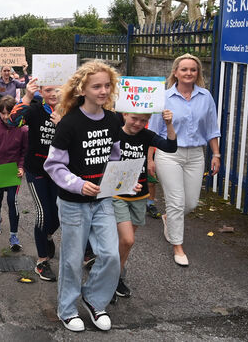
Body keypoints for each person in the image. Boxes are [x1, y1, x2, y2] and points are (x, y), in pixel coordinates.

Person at [44, 60, 140, 333]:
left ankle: (94, 300)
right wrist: (78, 184)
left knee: (110, 255)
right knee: (72, 260)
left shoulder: (113, 120)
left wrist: (123, 182)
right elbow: (53, 165)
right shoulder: (69, 123)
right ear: (81, 89)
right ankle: (67, 309)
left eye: (107, 85)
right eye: (97, 86)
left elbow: (114, 157)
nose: (103, 91)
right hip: (73, 203)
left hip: (103, 201)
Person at [147, 54, 221, 267]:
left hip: (196, 154)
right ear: (176, 72)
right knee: (176, 201)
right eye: (184, 69)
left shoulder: (205, 96)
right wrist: (150, 158)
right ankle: (177, 246)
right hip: (169, 154)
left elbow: (211, 128)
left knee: (190, 203)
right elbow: (153, 131)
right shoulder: (164, 97)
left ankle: (169, 218)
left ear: (198, 73)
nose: (189, 73)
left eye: (193, 70)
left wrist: (216, 154)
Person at [113, 110, 176, 298]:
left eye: (143, 120)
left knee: (126, 243)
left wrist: (169, 124)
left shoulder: (147, 135)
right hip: (117, 195)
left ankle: (116, 276)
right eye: (134, 118)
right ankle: (110, 277)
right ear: (125, 114)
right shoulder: (114, 133)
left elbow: (171, 146)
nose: (138, 123)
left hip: (139, 196)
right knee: (127, 239)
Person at [9, 77, 61, 282]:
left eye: (57, 89)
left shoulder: (71, 110)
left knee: (58, 214)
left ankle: (47, 235)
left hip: (60, 172)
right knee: (42, 214)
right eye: (48, 90)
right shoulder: (35, 109)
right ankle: (42, 261)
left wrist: (62, 123)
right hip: (36, 169)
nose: (53, 94)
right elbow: (13, 122)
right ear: (41, 91)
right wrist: (28, 97)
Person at [0, 95, 27, 250]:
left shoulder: (22, 129)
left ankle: (14, 235)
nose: (6, 117)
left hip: (13, 172)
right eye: (3, 113)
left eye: (9, 113)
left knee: (12, 201)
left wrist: (21, 167)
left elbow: (24, 151)